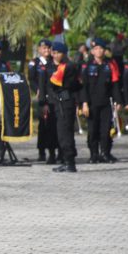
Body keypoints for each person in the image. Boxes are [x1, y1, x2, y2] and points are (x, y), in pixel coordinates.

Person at [80, 37, 122, 163]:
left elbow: (115, 84)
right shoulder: (86, 66)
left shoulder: (110, 64)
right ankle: (94, 154)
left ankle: (105, 153)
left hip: (106, 103)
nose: (98, 51)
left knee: (106, 130)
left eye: (101, 49)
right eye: (95, 49)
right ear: (92, 51)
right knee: (93, 130)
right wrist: (84, 103)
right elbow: (83, 87)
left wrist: (118, 101)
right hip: (92, 103)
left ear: (104, 51)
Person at [46, 42, 81, 172]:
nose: (54, 55)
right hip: (62, 102)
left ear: (64, 53)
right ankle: (68, 161)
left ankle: (69, 162)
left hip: (64, 103)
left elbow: (53, 82)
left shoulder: (66, 66)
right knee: (64, 133)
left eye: (57, 53)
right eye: (53, 53)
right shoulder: (67, 65)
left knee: (64, 134)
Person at [29, 39, 59, 163]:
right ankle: (42, 151)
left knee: (54, 126)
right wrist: (37, 90)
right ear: (39, 50)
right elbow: (31, 79)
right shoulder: (35, 63)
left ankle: (55, 151)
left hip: (53, 97)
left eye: (48, 48)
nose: (46, 51)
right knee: (44, 125)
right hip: (42, 97)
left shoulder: (54, 62)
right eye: (44, 48)